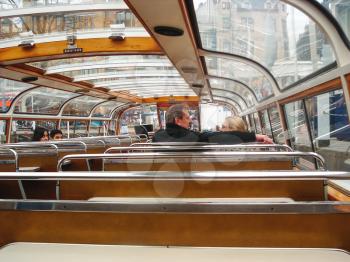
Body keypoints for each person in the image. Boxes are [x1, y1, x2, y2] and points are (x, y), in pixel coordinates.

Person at [152, 104, 272, 144]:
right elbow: (224, 137)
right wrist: (256, 136)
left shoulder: (156, 137)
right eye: (187, 118)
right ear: (177, 120)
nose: (190, 121)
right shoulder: (193, 138)